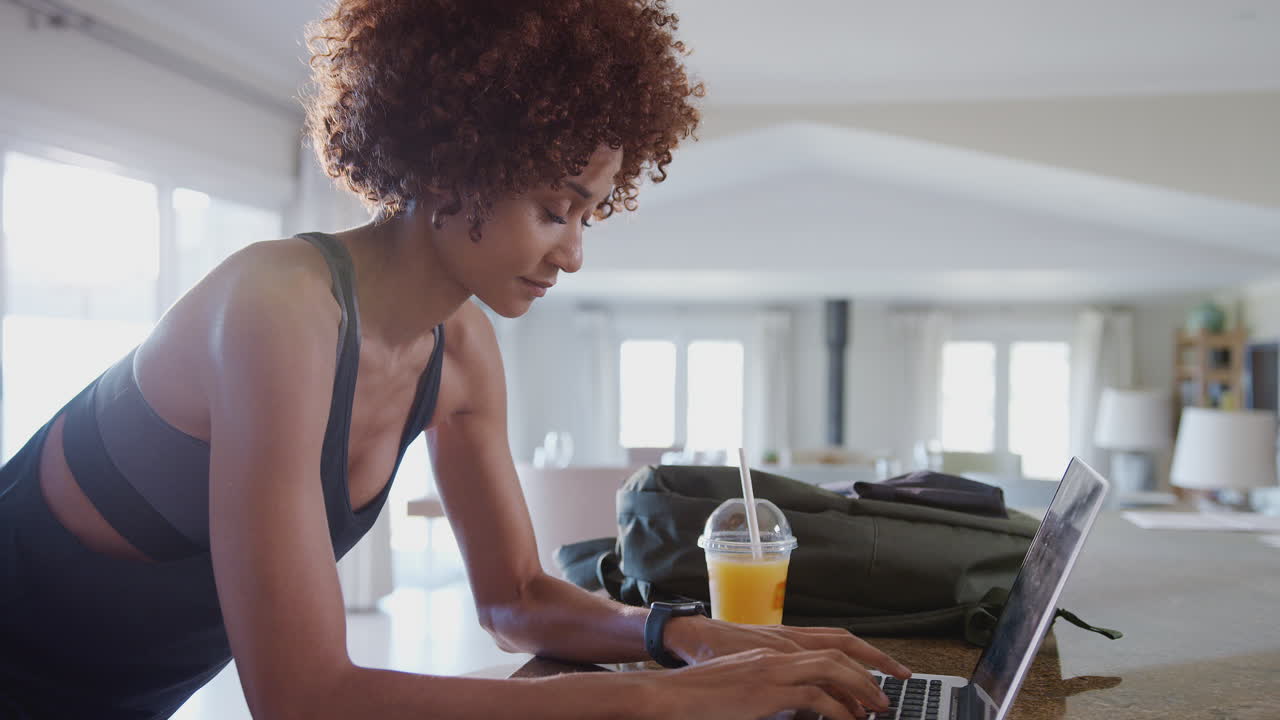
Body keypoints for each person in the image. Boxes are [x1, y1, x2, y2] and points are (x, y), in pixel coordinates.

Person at [0, 1, 911, 718]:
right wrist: (655, 698)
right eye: (557, 208)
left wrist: (684, 635)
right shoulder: (278, 306)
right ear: (453, 165)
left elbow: (513, 597)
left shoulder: (463, 348)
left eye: (589, 215)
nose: (574, 252)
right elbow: (302, 697)